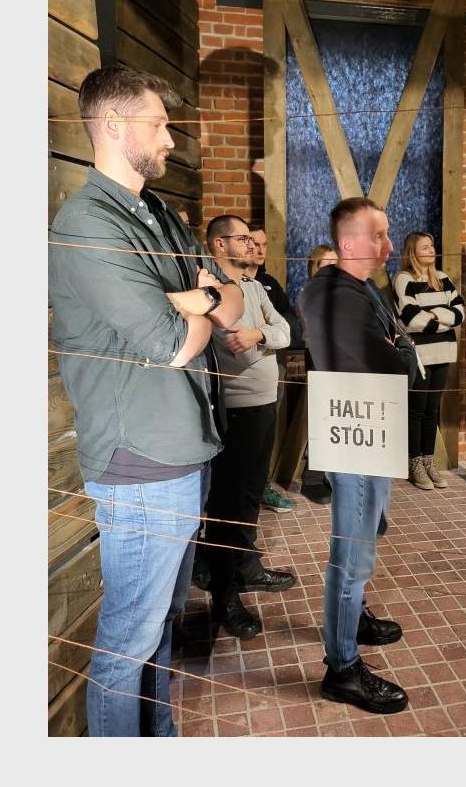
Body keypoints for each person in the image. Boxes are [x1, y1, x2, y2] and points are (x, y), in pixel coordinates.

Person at [49, 65, 245, 737]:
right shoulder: (87, 223)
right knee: (128, 639)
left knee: (160, 624)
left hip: (185, 449)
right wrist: (195, 305)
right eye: (158, 123)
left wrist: (193, 298)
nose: (170, 138)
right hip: (140, 464)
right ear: (112, 123)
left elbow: (233, 299)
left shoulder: (157, 213)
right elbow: (175, 345)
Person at [297, 197, 418, 715]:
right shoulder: (340, 297)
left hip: (369, 431)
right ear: (349, 243)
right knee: (352, 557)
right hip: (357, 440)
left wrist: (396, 343)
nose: (389, 245)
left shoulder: (355, 288)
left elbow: (394, 347)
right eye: (379, 235)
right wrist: (400, 346)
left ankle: (356, 620)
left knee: (369, 533)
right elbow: (399, 366)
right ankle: (342, 669)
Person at [198, 214, 297, 639]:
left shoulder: (253, 286)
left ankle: (246, 567)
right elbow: (235, 346)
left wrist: (259, 334)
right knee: (227, 506)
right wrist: (261, 338)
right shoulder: (210, 288)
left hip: (264, 402)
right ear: (219, 245)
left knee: (252, 495)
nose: (252, 245)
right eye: (242, 239)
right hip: (235, 408)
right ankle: (224, 596)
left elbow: (286, 330)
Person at [393, 231, 466, 491]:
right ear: (412, 252)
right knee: (417, 410)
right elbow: (411, 319)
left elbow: (460, 313)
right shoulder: (404, 279)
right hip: (420, 356)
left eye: (432, 245)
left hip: (443, 352)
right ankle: (414, 463)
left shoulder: (443, 279)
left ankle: (428, 460)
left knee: (432, 410)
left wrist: (432, 316)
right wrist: (442, 318)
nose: (431, 249)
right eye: (424, 246)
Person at [243, 224, 303, 513]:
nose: (259, 249)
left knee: (266, 431)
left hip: (271, 368)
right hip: (236, 374)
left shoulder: (270, 284)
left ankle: (263, 486)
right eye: (253, 243)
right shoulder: (228, 282)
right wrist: (269, 329)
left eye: (264, 244)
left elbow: (290, 327)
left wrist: (261, 331)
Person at [296, 244, 338, 505]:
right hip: (321, 357)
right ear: (315, 267)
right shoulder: (309, 294)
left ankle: (332, 474)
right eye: (327, 263)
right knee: (322, 418)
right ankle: (312, 478)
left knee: (337, 417)